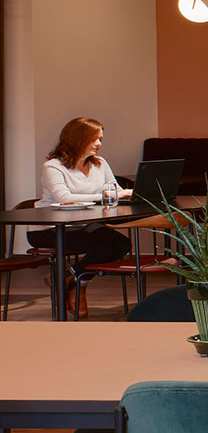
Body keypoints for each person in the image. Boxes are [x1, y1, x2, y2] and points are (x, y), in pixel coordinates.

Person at [32, 117, 134, 315]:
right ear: (77, 138)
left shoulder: (100, 164)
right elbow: (64, 197)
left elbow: (115, 190)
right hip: (50, 228)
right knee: (102, 247)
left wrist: (126, 195)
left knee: (122, 245)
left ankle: (74, 281)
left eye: (100, 139)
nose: (99, 144)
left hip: (83, 225)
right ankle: (76, 284)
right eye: (94, 139)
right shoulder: (53, 166)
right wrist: (106, 196)